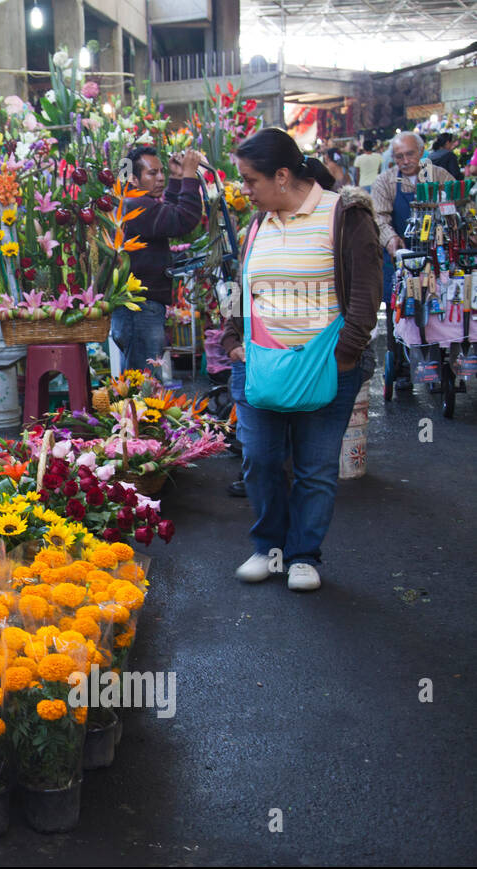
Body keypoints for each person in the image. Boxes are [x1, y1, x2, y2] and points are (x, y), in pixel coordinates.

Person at [220, 128, 380, 592]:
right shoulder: (258, 224)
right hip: (259, 364)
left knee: (315, 466)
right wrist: (232, 338)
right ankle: (269, 550)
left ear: (283, 175)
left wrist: (345, 356)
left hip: (326, 367)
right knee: (261, 460)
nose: (244, 190)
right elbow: (241, 285)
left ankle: (303, 555)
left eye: (250, 180)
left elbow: (366, 294)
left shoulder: (344, 215)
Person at [370, 131, 454, 394]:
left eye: (410, 154)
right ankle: (403, 369)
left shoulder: (440, 176)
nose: (405, 160)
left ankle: (437, 361)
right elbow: (379, 217)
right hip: (400, 258)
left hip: (437, 257)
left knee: (438, 308)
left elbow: (454, 208)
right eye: (399, 156)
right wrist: (391, 240)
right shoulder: (385, 181)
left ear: (422, 152)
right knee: (400, 310)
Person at [114, 145, 205, 377]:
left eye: (162, 171)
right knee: (143, 386)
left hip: (140, 308)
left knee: (140, 382)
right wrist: (189, 177)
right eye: (152, 173)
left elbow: (167, 214)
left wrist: (176, 179)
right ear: (134, 179)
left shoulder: (140, 203)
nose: (160, 177)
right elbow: (183, 219)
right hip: (139, 310)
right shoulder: (135, 206)